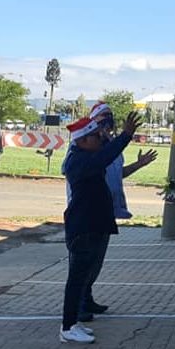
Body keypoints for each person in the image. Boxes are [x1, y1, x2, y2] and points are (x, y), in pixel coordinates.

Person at [63, 102, 157, 321]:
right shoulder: (79, 156)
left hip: (101, 216)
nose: (106, 125)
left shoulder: (103, 147)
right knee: (81, 269)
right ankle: (74, 315)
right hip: (84, 221)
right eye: (101, 120)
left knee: (94, 263)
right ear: (85, 137)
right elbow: (101, 160)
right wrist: (125, 136)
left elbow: (114, 169)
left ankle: (85, 301)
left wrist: (137, 164)